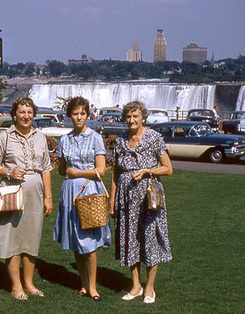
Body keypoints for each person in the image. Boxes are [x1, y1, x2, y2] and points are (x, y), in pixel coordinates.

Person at [0, 97, 53, 301]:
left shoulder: (40, 137)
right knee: (11, 238)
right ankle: (16, 286)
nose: (26, 116)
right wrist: (9, 172)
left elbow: (46, 169)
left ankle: (29, 283)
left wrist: (49, 197)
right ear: (14, 114)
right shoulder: (5, 137)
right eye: (22, 112)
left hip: (36, 194)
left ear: (34, 114)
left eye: (29, 112)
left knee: (31, 238)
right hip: (10, 192)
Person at [109, 100, 173, 304]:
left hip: (149, 198)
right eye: (128, 116)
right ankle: (136, 285)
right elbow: (116, 173)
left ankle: (150, 288)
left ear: (143, 117)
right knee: (130, 239)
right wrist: (112, 201)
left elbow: (168, 168)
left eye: (135, 116)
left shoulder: (154, 138)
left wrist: (148, 171)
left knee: (150, 239)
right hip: (126, 199)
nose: (131, 120)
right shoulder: (120, 140)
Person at [53, 96, 111, 302]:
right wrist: (68, 172)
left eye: (82, 114)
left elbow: (101, 170)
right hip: (69, 193)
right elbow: (61, 170)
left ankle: (93, 286)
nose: (79, 117)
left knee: (90, 243)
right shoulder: (65, 139)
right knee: (76, 242)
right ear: (70, 116)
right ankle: (84, 284)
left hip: (89, 193)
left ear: (87, 115)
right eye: (75, 114)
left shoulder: (95, 137)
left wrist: (76, 173)